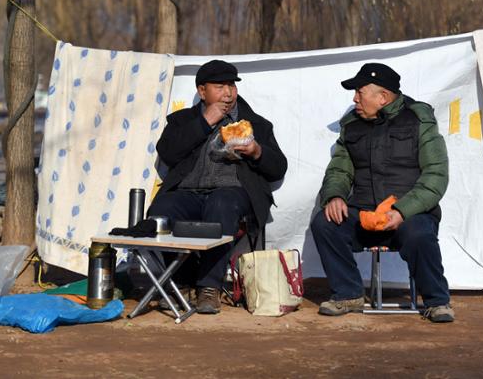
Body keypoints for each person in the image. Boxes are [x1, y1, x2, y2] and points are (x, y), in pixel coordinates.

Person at [310, 62, 454, 323]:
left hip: (410, 212)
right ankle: (348, 294)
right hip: (364, 211)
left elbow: (436, 175)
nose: (354, 99)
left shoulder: (419, 120)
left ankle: (437, 301)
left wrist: (402, 211)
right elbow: (339, 170)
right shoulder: (352, 125)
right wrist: (335, 196)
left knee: (419, 234)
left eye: (359, 92)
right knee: (325, 223)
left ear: (383, 97)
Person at [149, 59, 287, 314]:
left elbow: (278, 168)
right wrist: (205, 122)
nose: (228, 93)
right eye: (220, 86)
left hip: (232, 193)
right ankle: (183, 280)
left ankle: (209, 286)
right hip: (188, 193)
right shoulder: (181, 120)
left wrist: (257, 151)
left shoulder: (255, 124)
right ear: (202, 91)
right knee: (161, 209)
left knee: (221, 203)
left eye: (231, 86)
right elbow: (168, 153)